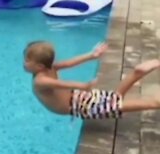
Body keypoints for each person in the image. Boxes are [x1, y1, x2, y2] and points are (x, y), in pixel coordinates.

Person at [23, 41, 160, 119]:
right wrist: (91, 55)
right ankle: (136, 74)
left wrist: (83, 85)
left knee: (115, 106)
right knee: (115, 98)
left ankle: (155, 102)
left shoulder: (39, 81)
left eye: (27, 60)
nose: (24, 63)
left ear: (39, 66)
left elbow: (61, 84)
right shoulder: (50, 68)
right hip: (77, 97)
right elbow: (70, 63)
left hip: (78, 105)